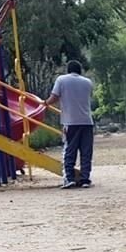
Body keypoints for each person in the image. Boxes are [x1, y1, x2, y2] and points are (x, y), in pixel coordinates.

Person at [46, 60, 94, 189]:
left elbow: (54, 97)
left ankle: (69, 178)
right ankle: (85, 179)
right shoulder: (88, 82)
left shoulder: (61, 80)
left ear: (68, 69)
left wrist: (44, 104)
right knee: (86, 152)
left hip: (70, 122)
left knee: (69, 150)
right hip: (87, 122)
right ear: (80, 70)